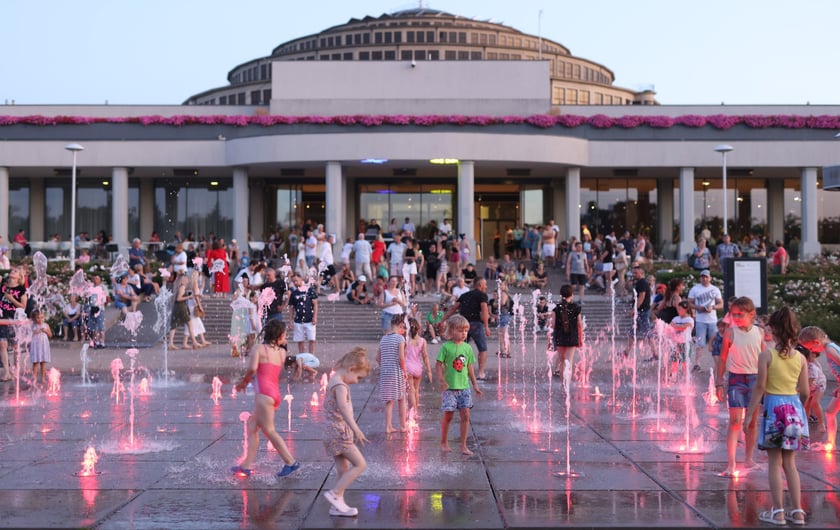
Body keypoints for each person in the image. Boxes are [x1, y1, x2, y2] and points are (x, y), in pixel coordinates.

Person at [744, 306, 809, 526]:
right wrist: (797, 408)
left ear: (774, 330)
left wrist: (749, 414)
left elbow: (760, 387)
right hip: (794, 409)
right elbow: (806, 391)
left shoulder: (766, 355)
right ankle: (798, 512)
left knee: (774, 463)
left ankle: (778, 512)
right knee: (790, 463)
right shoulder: (800, 358)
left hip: (774, 409)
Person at [231, 319, 301, 479]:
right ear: (280, 335)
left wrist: (242, 383)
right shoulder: (282, 353)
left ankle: (290, 462)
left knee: (269, 430)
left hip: (263, 395)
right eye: (284, 334)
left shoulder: (259, 349)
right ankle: (246, 465)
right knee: (252, 426)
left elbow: (252, 369)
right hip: (274, 395)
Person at [716, 296, 765, 477]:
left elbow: (765, 358)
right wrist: (718, 383)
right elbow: (722, 358)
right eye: (733, 314)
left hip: (755, 380)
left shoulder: (759, 333)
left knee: (752, 421)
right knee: (735, 421)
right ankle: (731, 463)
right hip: (736, 379)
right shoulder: (730, 332)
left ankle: (749, 458)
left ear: (751, 314)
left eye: (739, 315)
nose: (735, 318)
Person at [322, 347, 370, 518]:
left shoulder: (334, 381)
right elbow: (343, 409)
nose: (357, 382)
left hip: (331, 432)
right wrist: (356, 429)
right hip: (339, 432)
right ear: (351, 369)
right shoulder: (340, 386)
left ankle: (337, 506)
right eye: (358, 377)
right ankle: (335, 494)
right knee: (360, 464)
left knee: (343, 469)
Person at [436, 315, 483, 455]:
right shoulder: (446, 347)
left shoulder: (467, 348)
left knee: (466, 416)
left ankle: (463, 445)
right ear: (451, 330)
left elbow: (469, 368)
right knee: (448, 416)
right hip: (450, 389)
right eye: (460, 330)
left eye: (466, 331)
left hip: (464, 388)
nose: (464, 333)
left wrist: (475, 385)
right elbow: (438, 365)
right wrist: (441, 380)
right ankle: (444, 442)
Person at [797, 326, 840, 450]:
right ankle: (830, 443)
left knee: (830, 412)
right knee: (830, 412)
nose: (811, 351)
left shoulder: (830, 349)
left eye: (810, 348)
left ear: (816, 342)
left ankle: (831, 443)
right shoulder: (830, 348)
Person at [444, 278, 491, 380]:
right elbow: (484, 310)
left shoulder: (465, 295)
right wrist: (486, 326)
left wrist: (442, 320)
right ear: (480, 285)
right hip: (476, 324)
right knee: (482, 349)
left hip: (463, 325)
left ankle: (460, 371)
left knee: (461, 348)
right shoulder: (482, 296)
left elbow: (453, 308)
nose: (486, 286)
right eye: (485, 284)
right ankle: (481, 373)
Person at [376, 314, 408, 434]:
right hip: (396, 372)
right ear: (400, 325)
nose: (404, 330)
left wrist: (385, 366)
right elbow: (401, 358)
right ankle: (403, 426)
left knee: (389, 400)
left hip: (385, 373)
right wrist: (405, 372)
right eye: (403, 328)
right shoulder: (400, 339)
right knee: (401, 399)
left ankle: (388, 427)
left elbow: (377, 358)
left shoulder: (384, 338)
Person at [687, 269, 723, 372]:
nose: (704, 279)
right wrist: (698, 307)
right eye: (703, 277)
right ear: (700, 278)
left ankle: (717, 365)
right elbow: (689, 303)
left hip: (712, 319)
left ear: (710, 278)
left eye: (706, 277)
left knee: (715, 343)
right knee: (700, 343)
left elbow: (721, 304)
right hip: (700, 319)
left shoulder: (715, 289)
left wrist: (713, 307)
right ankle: (697, 364)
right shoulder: (695, 289)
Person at [0, 267, 28, 380]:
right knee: (2, 345)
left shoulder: (21, 290)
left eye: (16, 271)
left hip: (14, 321)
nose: (12, 271)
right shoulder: (3, 286)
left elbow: (23, 307)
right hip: (2, 319)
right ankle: (6, 372)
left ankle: (15, 371)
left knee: (16, 347)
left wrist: (11, 299)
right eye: (12, 270)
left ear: (19, 277)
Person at [405, 317, 432, 420]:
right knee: (416, 391)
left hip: (408, 368)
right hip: (418, 368)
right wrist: (429, 371)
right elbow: (425, 356)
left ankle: (412, 411)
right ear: (418, 329)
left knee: (410, 391)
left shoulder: (405, 340)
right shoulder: (422, 341)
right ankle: (415, 410)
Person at [552, 284, 582, 377]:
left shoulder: (556, 308)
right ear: (571, 295)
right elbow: (579, 324)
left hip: (560, 336)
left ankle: (563, 386)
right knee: (569, 361)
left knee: (561, 362)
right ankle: (567, 383)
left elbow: (552, 325)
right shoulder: (576, 307)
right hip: (572, 336)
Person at [288, 273, 319, 355]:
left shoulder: (310, 290)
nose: (295, 283)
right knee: (300, 341)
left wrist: (315, 317)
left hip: (309, 319)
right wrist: (290, 321)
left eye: (296, 280)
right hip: (298, 320)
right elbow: (291, 308)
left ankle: (311, 356)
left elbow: (315, 304)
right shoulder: (294, 293)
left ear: (301, 279)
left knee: (312, 339)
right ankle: (302, 357)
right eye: (293, 281)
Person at [168, 272, 199, 350]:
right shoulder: (182, 287)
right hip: (181, 307)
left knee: (174, 325)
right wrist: (189, 297)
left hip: (176, 307)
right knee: (189, 324)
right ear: (182, 281)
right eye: (185, 279)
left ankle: (170, 343)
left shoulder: (178, 287)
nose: (187, 280)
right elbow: (179, 298)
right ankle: (194, 342)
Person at [668, 301, 695, 382]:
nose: (678, 311)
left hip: (685, 342)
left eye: (680, 309)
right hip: (675, 342)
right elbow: (670, 326)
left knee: (685, 361)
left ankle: (686, 377)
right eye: (678, 309)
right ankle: (673, 376)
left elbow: (686, 327)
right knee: (674, 360)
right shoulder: (675, 318)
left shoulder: (690, 319)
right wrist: (676, 327)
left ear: (686, 309)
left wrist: (675, 327)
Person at [29, 310, 52, 385]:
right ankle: (34, 378)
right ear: (34, 318)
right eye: (38, 318)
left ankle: (43, 378)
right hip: (36, 346)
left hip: (43, 345)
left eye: (42, 317)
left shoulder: (46, 325)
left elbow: (50, 335)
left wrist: (45, 331)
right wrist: (34, 332)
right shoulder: (33, 326)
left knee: (43, 363)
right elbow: (29, 336)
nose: (40, 319)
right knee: (35, 363)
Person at [493, 281, 513, 359]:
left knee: (502, 334)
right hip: (503, 315)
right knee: (503, 334)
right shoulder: (501, 293)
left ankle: (505, 351)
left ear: (505, 286)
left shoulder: (503, 293)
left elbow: (502, 303)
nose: (500, 286)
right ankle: (505, 350)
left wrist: (496, 303)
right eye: (499, 285)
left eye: (501, 285)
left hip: (504, 315)